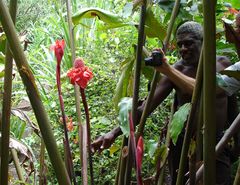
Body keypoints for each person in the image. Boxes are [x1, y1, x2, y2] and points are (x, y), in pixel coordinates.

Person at [91, 21, 237, 184]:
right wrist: (113, 132)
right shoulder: (176, 70)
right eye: (180, 44)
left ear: (203, 42)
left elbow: (231, 106)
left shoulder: (223, 64)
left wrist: (236, 141)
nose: (183, 49)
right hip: (185, 144)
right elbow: (145, 108)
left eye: (188, 43)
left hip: (215, 141)